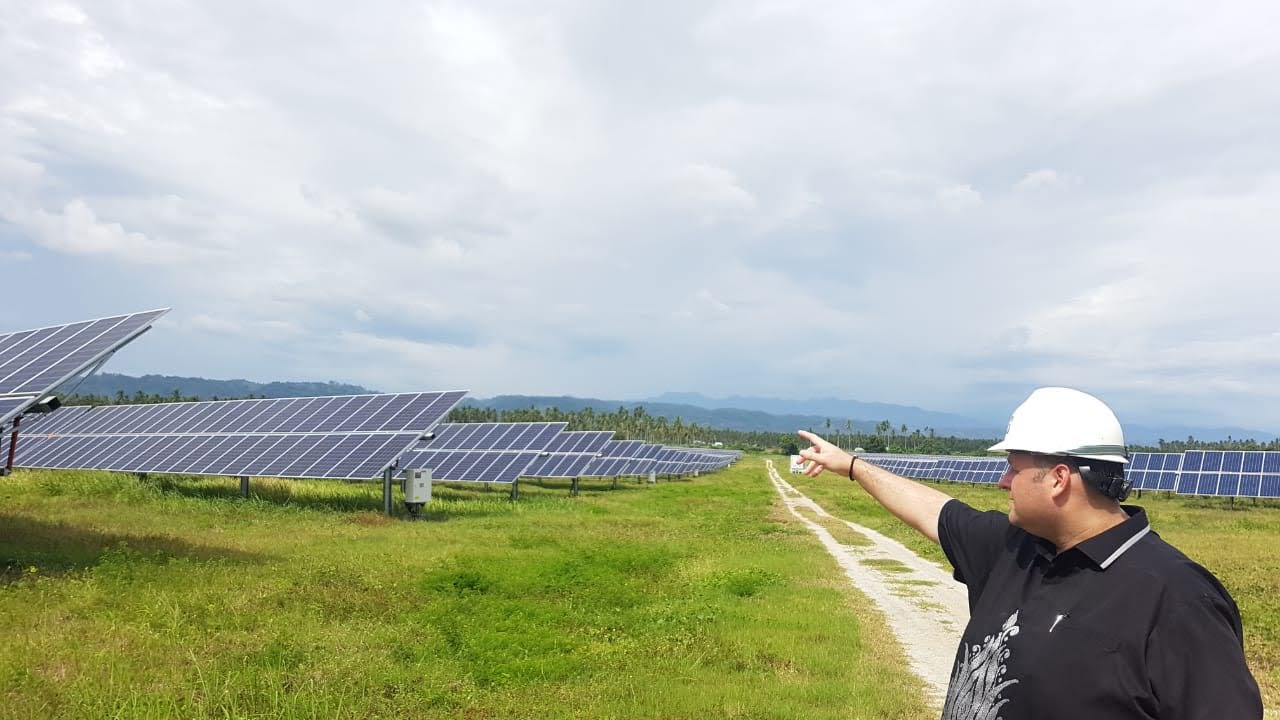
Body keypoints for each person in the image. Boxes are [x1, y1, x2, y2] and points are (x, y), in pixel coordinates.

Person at [797, 387, 1262, 720]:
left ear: (1059, 478)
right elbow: (936, 510)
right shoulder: (1014, 549)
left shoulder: (1174, 597)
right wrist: (853, 466)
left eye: (1013, 469)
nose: (1002, 482)